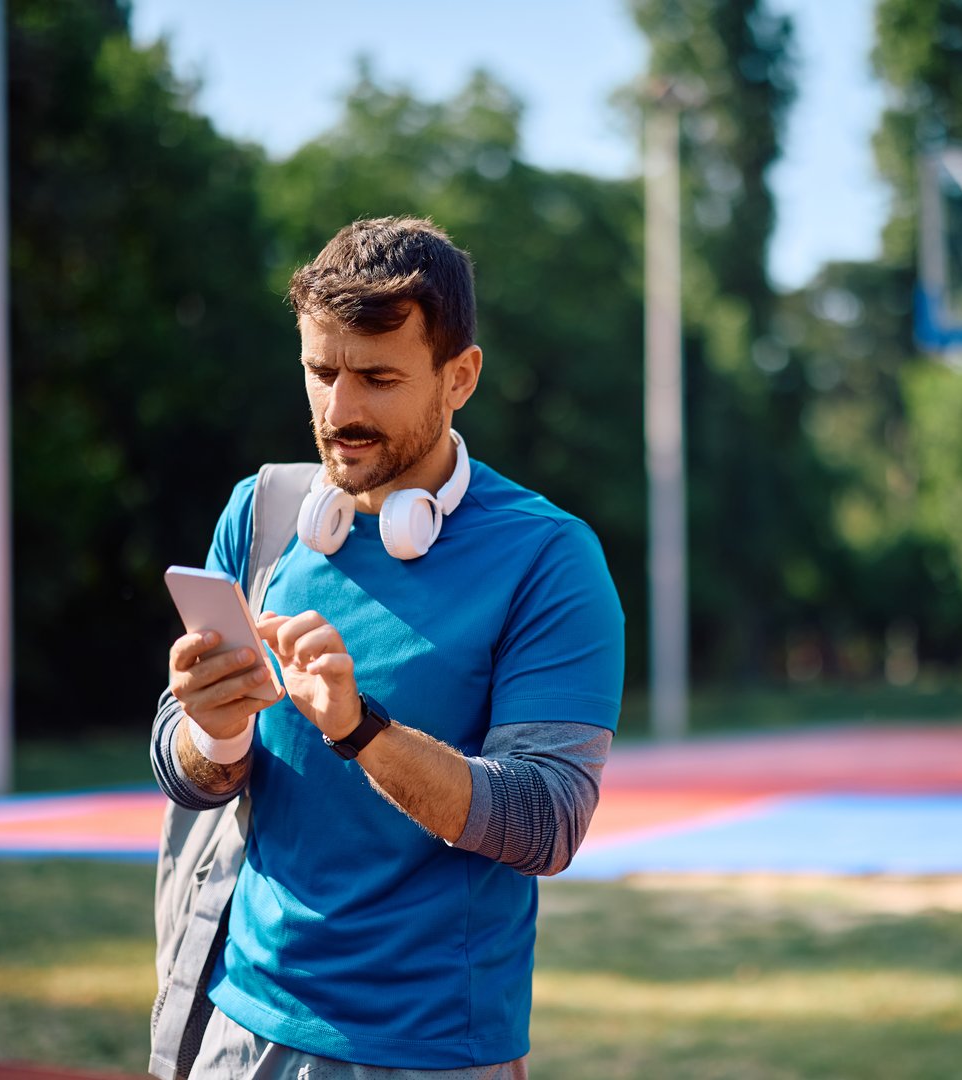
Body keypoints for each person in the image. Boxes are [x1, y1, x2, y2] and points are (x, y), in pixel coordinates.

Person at [150, 217, 625, 1078]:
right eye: (321, 371)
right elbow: (184, 768)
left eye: (377, 377)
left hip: (430, 1053)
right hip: (239, 1030)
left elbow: (545, 823)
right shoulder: (260, 516)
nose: (340, 410)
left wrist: (361, 729)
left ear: (460, 377)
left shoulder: (550, 559)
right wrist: (209, 731)